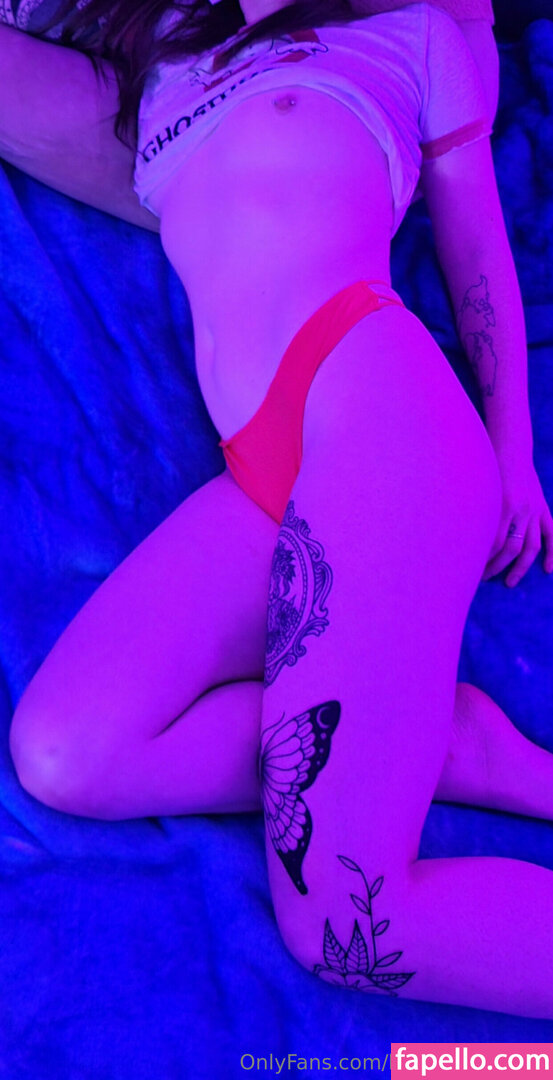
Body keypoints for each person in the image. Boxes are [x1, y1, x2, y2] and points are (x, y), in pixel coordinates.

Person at [4, 0, 553, 1017]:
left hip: (377, 411)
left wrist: (513, 452)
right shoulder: (158, 65)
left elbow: (477, 250)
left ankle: (412, 743)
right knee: (65, 753)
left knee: (351, 929)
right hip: (260, 471)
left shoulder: (411, 32)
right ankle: (435, 740)